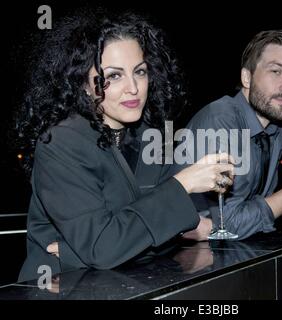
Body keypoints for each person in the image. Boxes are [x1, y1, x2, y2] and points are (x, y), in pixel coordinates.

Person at [15, 10, 234, 282]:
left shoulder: (151, 137)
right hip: (61, 287)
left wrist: (80, 251)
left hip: (128, 284)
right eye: (114, 76)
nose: (133, 87)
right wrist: (182, 185)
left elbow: (166, 239)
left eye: (139, 72)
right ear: (83, 83)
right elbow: (107, 249)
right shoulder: (61, 143)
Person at [169, 29, 282, 240]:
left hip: (235, 251)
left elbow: (259, 208)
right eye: (276, 71)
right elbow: (228, 224)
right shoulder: (221, 119)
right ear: (247, 77)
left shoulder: (278, 129)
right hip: (183, 258)